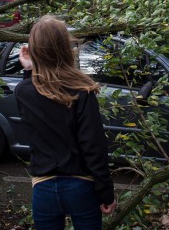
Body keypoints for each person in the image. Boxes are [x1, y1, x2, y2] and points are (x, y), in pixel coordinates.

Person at [15, 16, 116, 230]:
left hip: (43, 189)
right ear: (64, 47)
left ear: (34, 51)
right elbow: (94, 147)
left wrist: (28, 70)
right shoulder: (82, 90)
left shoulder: (23, 91)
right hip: (81, 187)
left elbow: (34, 94)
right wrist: (106, 192)